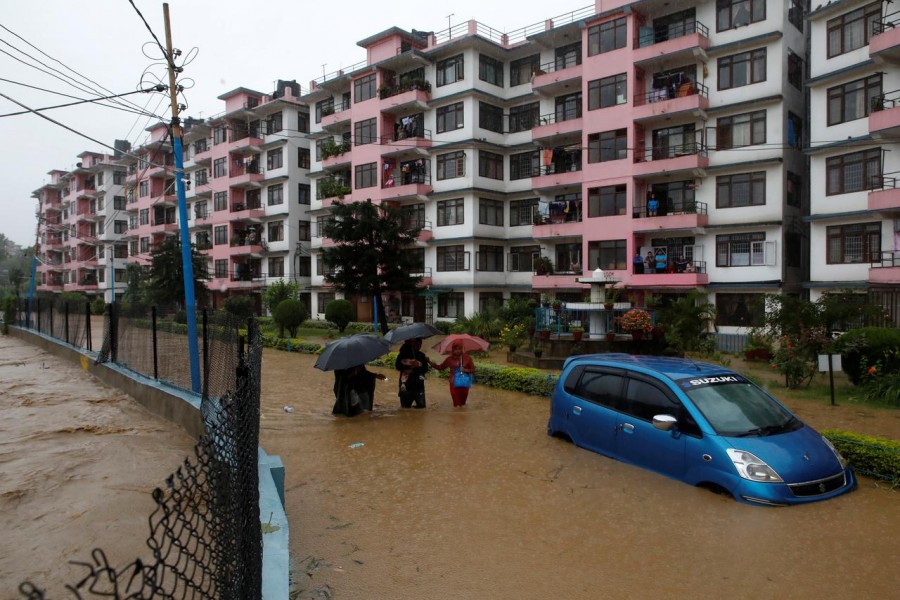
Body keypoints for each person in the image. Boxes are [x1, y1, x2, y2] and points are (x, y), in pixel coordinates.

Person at [430, 341, 476, 408]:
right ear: (452, 349)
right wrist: (429, 362)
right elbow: (440, 368)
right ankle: (456, 418)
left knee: (463, 405)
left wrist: (465, 370)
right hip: (453, 384)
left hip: (464, 384)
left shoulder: (467, 358)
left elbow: (473, 370)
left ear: (462, 349)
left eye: (460, 349)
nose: (458, 351)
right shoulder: (449, 359)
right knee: (457, 405)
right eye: (456, 349)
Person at [395, 338, 430, 409]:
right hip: (406, 385)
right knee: (405, 408)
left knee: (421, 407)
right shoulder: (402, 355)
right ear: (412, 344)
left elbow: (425, 369)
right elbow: (397, 366)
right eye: (416, 344)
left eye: (420, 344)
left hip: (419, 386)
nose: (418, 346)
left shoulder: (421, 355)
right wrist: (407, 368)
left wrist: (416, 368)